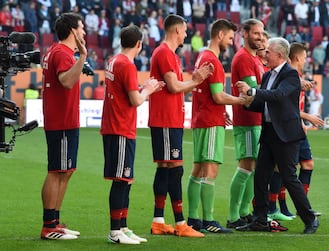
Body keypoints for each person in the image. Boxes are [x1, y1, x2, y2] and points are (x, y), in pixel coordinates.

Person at [237, 37, 320, 234]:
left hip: (287, 135)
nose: (265, 54)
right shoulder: (268, 75)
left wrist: (252, 91)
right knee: (261, 176)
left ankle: (310, 219)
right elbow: (264, 103)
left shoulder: (290, 75)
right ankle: (260, 220)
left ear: (280, 55)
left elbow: (278, 96)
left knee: (289, 177)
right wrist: (246, 101)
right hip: (270, 132)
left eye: (268, 52)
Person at [148, 14, 213, 238]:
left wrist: (194, 82)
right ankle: (180, 223)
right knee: (175, 168)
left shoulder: (170, 55)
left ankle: (158, 221)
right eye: (185, 30)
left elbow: (176, 86)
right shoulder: (165, 53)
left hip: (170, 118)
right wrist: (196, 80)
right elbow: (175, 86)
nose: (186, 34)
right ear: (177, 30)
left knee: (166, 168)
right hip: (165, 119)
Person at [100, 25, 164, 245]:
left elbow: (123, 91)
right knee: (121, 180)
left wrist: (143, 87)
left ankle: (123, 227)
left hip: (118, 127)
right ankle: (115, 231)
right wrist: (148, 90)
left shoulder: (113, 60)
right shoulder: (127, 65)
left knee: (126, 179)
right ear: (139, 44)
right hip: (119, 128)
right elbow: (136, 100)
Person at [187, 18, 248, 234]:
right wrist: (241, 100)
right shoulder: (213, 61)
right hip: (210, 121)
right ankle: (209, 221)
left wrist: (223, 111)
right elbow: (218, 96)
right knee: (210, 169)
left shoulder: (202, 56)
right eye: (230, 38)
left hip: (202, 118)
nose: (231, 42)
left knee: (198, 169)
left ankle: (193, 218)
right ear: (220, 35)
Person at [40, 12, 87, 240]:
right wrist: (83, 57)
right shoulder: (62, 53)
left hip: (64, 121)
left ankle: (55, 222)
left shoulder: (58, 52)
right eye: (81, 28)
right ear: (73, 31)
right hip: (62, 122)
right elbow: (67, 82)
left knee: (65, 171)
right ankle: (49, 225)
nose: (84, 32)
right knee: (56, 172)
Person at [268, 42, 324, 219]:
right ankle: (275, 207)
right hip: (288, 128)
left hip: (297, 127)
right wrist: (306, 117)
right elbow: (284, 105)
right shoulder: (288, 76)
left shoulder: (296, 76)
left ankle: (300, 208)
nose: (307, 59)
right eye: (305, 56)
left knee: (305, 165)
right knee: (282, 168)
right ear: (298, 57)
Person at [227, 18, 265, 229]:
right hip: (247, 119)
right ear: (245, 34)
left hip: (257, 119)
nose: (259, 37)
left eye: (261, 33)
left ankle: (244, 211)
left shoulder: (255, 59)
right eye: (256, 33)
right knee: (247, 165)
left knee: (254, 166)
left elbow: (259, 88)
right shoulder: (243, 58)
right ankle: (233, 216)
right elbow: (253, 90)